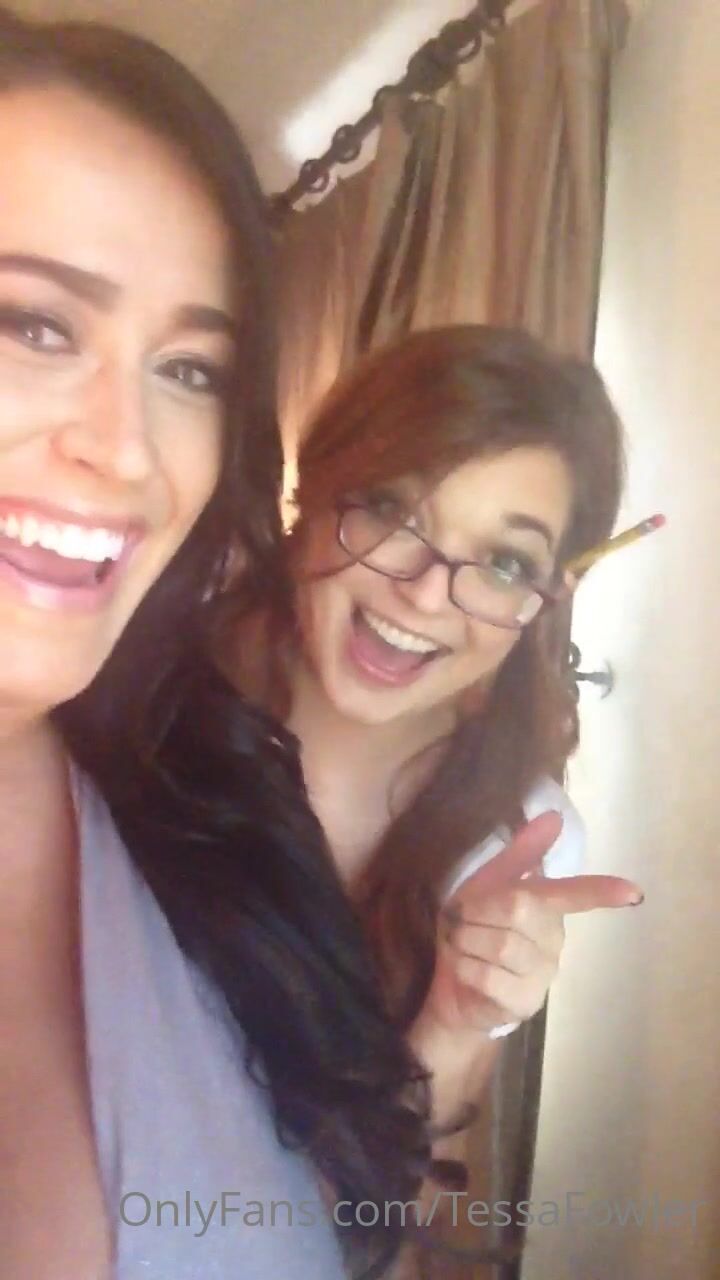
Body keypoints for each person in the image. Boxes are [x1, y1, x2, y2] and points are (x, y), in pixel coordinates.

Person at [0, 10, 440, 1279]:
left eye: (190, 370)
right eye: (34, 323)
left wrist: (455, 1026)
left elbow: (326, 1204)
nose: (128, 450)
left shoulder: (204, 796)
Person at [226, 325, 645, 1156]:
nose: (424, 596)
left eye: (504, 562)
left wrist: (456, 1022)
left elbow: (395, 1196)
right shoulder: (147, 694)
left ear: (545, 597)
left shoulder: (516, 843)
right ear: (316, 492)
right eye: (390, 508)